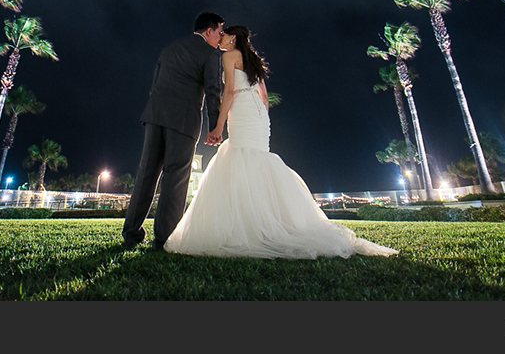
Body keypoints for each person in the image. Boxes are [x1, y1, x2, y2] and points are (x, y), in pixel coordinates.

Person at [164, 25, 398, 259]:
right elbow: (264, 97)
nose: (220, 38)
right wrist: (263, 121)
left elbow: (230, 93)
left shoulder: (229, 56)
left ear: (233, 38)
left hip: (243, 113)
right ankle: (267, 221)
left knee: (239, 158)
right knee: (257, 161)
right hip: (259, 118)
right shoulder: (253, 60)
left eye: (223, 35)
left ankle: (249, 225)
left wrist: (218, 125)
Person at [122, 12, 225, 250]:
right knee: (175, 177)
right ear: (208, 31)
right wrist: (215, 127)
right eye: (219, 32)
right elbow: (213, 90)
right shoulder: (211, 54)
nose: (221, 38)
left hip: (154, 115)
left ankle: (130, 233)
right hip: (183, 120)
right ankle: (164, 239)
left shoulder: (169, 49)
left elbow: (155, 84)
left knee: (146, 173)